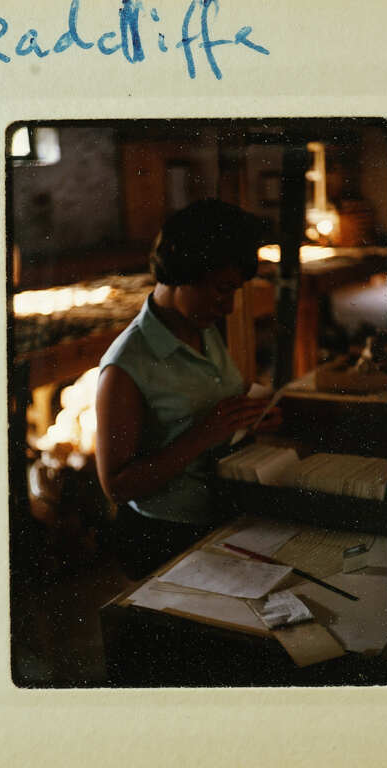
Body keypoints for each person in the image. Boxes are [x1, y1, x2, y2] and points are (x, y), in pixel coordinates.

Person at [96, 199, 281, 578]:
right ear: (182, 273)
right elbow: (116, 486)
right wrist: (204, 435)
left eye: (235, 291)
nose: (229, 306)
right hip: (164, 537)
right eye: (222, 290)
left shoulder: (204, 329)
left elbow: (214, 398)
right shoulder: (126, 366)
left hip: (221, 518)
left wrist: (249, 416)